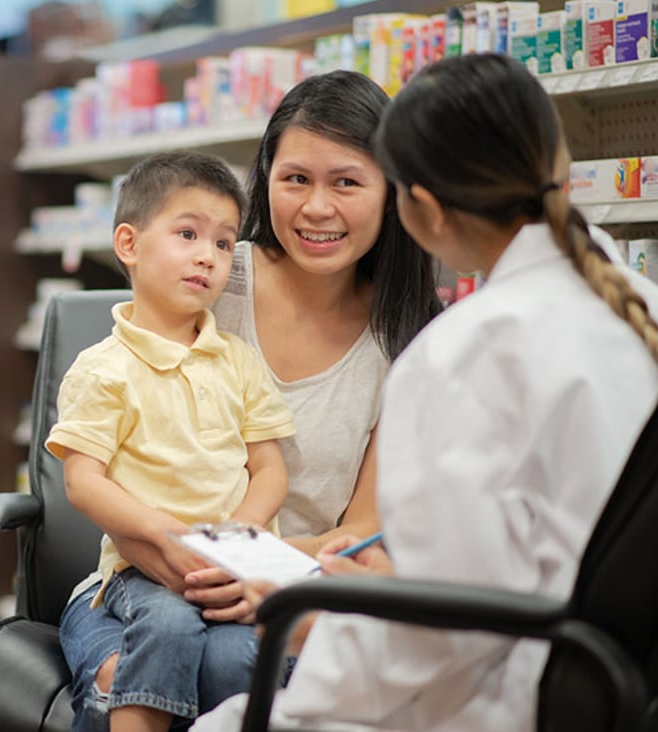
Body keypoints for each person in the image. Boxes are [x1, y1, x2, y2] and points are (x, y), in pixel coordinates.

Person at [192, 52, 658, 732]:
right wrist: (388, 585)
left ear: (419, 207)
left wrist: (314, 623)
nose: (318, 205)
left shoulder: (455, 352)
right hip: (602, 681)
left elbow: (437, 638)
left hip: (511, 689)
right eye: (294, 178)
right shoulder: (638, 301)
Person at [59, 70, 441, 730]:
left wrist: (249, 562)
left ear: (391, 194)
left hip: (289, 596)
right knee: (144, 668)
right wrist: (179, 552)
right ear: (264, 178)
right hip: (141, 582)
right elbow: (117, 452)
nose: (317, 208)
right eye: (295, 179)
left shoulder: (410, 336)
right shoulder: (204, 272)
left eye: (346, 182)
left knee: (226, 669)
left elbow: (360, 530)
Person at [47, 149, 296, 732]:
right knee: (166, 626)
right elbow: (83, 481)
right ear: (129, 244)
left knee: (241, 659)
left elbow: (270, 470)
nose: (207, 256)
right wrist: (165, 533)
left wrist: (236, 538)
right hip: (145, 564)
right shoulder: (102, 368)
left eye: (222, 243)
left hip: (230, 570)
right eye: (188, 233)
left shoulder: (238, 361)